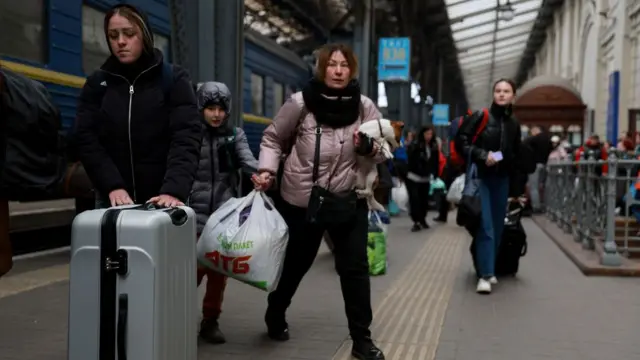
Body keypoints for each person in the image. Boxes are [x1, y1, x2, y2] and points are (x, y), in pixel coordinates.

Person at [252, 43, 385, 360]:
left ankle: (362, 340)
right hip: (303, 201)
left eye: (344, 65)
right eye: (332, 64)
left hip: (348, 199)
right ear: (322, 68)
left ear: (351, 70)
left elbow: (383, 148)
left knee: (355, 269)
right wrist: (267, 170)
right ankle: (276, 309)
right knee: (297, 264)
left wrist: (367, 148)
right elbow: (273, 138)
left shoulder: (364, 107)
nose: (338, 71)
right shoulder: (300, 104)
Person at [74, 4, 201, 209]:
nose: (121, 42)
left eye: (129, 33)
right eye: (113, 36)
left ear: (145, 35)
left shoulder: (173, 79)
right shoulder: (97, 84)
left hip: (164, 199)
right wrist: (112, 185)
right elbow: (86, 139)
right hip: (113, 198)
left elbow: (186, 138)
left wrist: (173, 190)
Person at [190, 82, 258, 344]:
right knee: (192, 272)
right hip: (192, 215)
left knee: (218, 273)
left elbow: (247, 160)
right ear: (201, 109)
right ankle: (177, 315)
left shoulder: (234, 135)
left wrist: (264, 173)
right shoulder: (190, 135)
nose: (216, 114)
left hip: (223, 216)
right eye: (210, 108)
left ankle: (210, 321)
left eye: (221, 109)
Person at [456, 78, 522, 294]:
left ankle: (489, 268)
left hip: (501, 180)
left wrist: (516, 188)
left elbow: (513, 154)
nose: (502, 94)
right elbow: (462, 141)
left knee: (497, 227)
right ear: (493, 94)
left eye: (506, 91)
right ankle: (484, 275)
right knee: (486, 227)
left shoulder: (514, 124)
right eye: (498, 90)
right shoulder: (481, 116)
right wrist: (483, 155)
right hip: (481, 178)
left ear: (513, 95)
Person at [405, 124, 440, 232]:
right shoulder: (415, 145)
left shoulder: (433, 146)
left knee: (424, 200)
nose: (429, 136)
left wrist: (435, 173)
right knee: (415, 200)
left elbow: (435, 161)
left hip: (426, 178)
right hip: (414, 177)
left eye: (430, 134)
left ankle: (423, 219)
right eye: (427, 134)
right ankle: (416, 221)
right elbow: (411, 160)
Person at [523, 125, 551, 214]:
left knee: (533, 187)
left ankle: (536, 207)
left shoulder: (534, 139)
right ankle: (544, 205)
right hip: (544, 164)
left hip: (535, 165)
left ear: (535, 130)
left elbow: (524, 144)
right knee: (542, 186)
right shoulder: (547, 139)